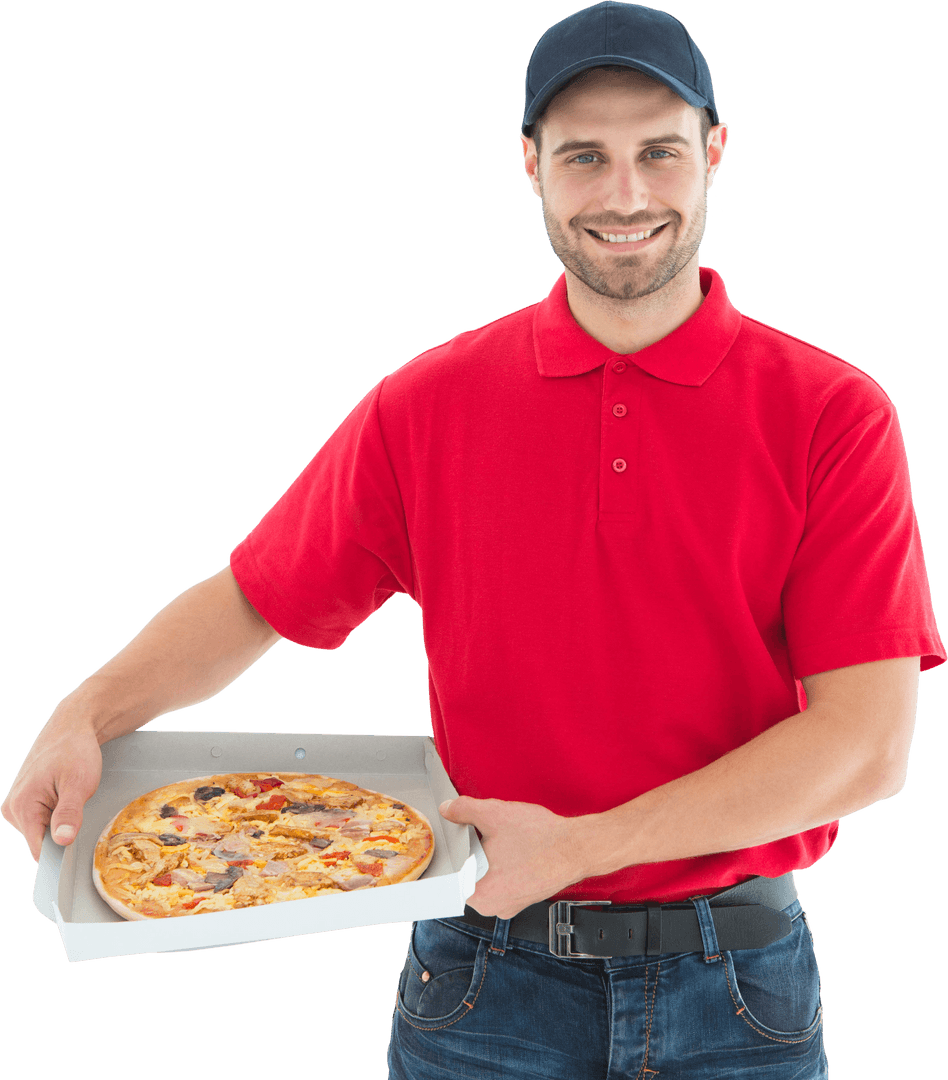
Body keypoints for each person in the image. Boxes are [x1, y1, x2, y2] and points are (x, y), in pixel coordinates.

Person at [2, 3, 943, 1077]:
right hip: (485, 986)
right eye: (585, 155)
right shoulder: (429, 404)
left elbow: (867, 745)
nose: (626, 195)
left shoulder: (834, 413)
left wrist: (579, 850)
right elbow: (254, 598)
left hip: (738, 988)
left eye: (660, 153)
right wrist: (85, 713)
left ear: (715, 155)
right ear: (531, 164)